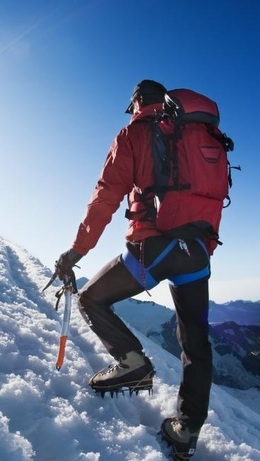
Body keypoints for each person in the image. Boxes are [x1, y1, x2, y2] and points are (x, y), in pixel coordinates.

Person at [52, 79, 215, 460]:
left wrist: (76, 252)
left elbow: (107, 195)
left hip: (155, 248)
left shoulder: (134, 134)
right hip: (197, 254)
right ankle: (186, 431)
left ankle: (133, 362)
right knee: (195, 342)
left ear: (137, 102)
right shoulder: (198, 132)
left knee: (92, 297)